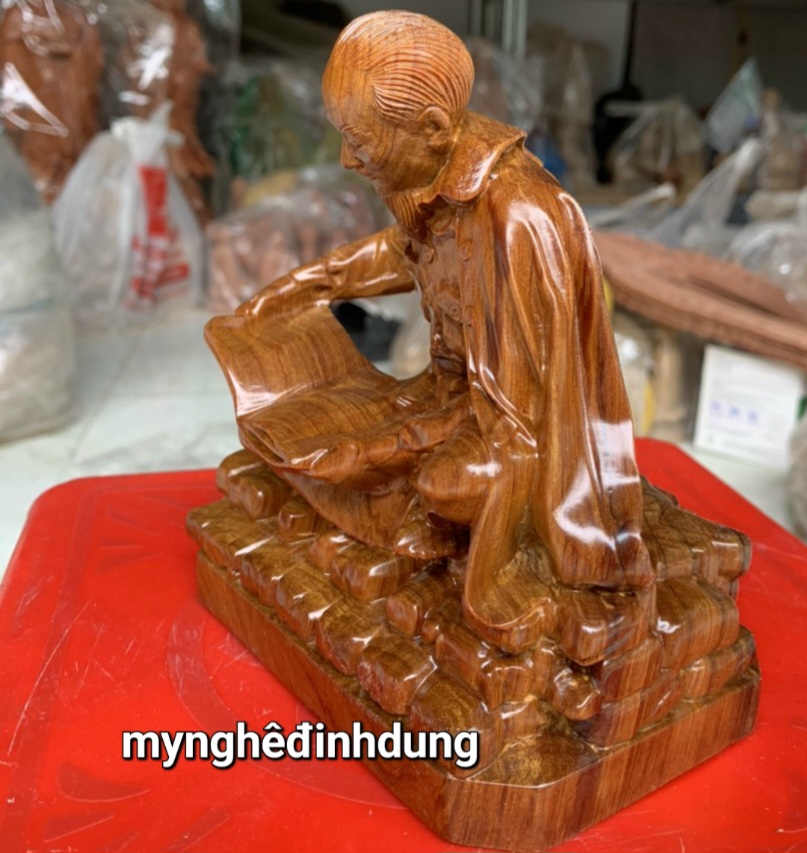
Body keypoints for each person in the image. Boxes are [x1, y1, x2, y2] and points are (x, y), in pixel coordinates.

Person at [207, 11, 651, 648]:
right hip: (446, 395)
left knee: (438, 482)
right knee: (304, 414)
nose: (347, 159)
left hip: (510, 434)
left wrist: (392, 443)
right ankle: (377, 489)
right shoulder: (437, 180)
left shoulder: (514, 216)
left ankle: (420, 521)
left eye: (360, 140)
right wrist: (301, 287)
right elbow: (404, 251)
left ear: (436, 129)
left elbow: (517, 418)